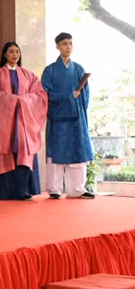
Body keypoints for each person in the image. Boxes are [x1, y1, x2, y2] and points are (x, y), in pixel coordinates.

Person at [0, 42, 48, 200]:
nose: (14, 55)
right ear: (4, 54)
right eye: (11, 52)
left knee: (22, 150)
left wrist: (23, 101)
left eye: (17, 52)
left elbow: (40, 95)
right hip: (3, 121)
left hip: (23, 121)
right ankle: (6, 192)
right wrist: (12, 100)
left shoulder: (28, 75)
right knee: (6, 151)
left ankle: (23, 191)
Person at [42, 33, 95, 199]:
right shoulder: (49, 70)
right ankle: (55, 189)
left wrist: (77, 103)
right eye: (64, 44)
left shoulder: (78, 69)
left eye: (70, 43)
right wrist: (67, 97)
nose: (68, 47)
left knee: (77, 151)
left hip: (76, 118)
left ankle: (77, 188)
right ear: (57, 46)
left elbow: (85, 94)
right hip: (58, 118)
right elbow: (44, 94)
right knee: (56, 152)